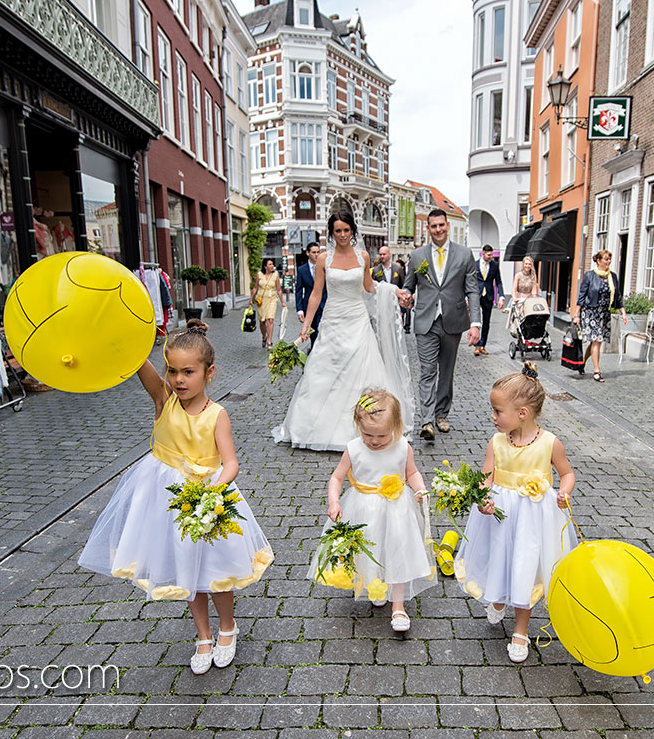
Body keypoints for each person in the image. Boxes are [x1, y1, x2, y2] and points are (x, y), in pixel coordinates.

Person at [78, 320, 274, 675]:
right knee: (188, 569)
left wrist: (212, 493)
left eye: (188, 372)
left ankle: (227, 627)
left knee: (215, 571)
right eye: (172, 370)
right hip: (169, 500)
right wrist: (124, 333)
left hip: (206, 502)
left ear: (208, 373)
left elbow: (231, 464)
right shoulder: (163, 401)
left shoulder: (217, 415)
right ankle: (202, 635)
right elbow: (140, 362)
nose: (178, 379)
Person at [454, 362, 576, 663]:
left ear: (522, 413)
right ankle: (497, 598)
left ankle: (521, 628)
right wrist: (482, 498)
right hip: (501, 514)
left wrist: (564, 491)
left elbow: (567, 473)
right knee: (499, 556)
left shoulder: (550, 443)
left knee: (525, 565)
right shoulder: (496, 442)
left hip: (534, 518)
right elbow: (486, 476)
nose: (492, 417)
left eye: (498, 411)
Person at [275, 211, 415, 451]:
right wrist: (307, 325)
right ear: (331, 233)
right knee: (324, 371)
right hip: (332, 320)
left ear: (353, 231)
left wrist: (394, 291)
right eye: (337, 231)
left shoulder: (363, 257)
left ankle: (368, 426)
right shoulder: (323, 259)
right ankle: (313, 428)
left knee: (363, 372)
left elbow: (369, 287)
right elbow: (316, 294)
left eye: (346, 230)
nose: (342, 235)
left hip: (357, 319)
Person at [310, 389, 433, 631]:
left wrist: (420, 490)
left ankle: (398, 606)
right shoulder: (354, 449)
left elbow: (412, 473)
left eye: (382, 436)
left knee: (397, 551)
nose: (375, 441)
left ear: (396, 427)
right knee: (370, 551)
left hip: (397, 509)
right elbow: (336, 478)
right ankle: (377, 585)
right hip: (363, 509)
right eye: (368, 434)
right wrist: (334, 501)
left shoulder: (402, 447)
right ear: (358, 425)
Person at [399, 209, 481, 441]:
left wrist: (475, 323)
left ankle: (441, 414)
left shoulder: (464, 255)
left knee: (446, 372)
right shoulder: (417, 256)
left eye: (441, 225)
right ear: (428, 228)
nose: (438, 230)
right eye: (433, 226)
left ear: (447, 225)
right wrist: (405, 295)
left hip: (453, 321)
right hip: (426, 321)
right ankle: (426, 421)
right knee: (427, 371)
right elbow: (409, 285)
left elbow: (472, 290)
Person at [571, 249, 627, 382]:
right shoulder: (589, 276)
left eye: (609, 259)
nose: (608, 262)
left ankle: (582, 362)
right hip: (591, 312)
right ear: (599, 260)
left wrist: (623, 312)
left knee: (595, 341)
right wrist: (576, 314)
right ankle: (597, 371)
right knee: (596, 341)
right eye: (606, 259)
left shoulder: (612, 276)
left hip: (604, 313)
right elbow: (582, 295)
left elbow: (617, 295)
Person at [473, 245, 505, 356]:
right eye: (489, 255)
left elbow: (499, 282)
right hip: (477, 296)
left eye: (492, 254)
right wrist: (467, 297)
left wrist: (501, 296)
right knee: (476, 321)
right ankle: (476, 345)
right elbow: (470, 281)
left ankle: (482, 345)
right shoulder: (475, 265)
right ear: (483, 253)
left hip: (489, 296)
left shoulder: (495, 265)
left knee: (486, 322)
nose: (491, 257)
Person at [295, 242, 327, 352]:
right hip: (309, 307)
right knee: (312, 335)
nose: (317, 255)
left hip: (324, 305)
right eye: (314, 252)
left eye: (318, 252)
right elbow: (298, 291)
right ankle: (314, 355)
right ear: (308, 253)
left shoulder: (325, 268)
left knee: (321, 333)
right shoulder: (302, 270)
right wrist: (299, 309)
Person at [250, 259, 283, 349]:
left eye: (272, 264)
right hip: (261, 300)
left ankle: (269, 341)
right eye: (270, 264)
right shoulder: (259, 275)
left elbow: (279, 290)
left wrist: (283, 302)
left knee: (270, 320)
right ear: (265, 266)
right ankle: (264, 336)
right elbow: (255, 288)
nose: (272, 266)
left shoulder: (275, 276)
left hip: (272, 299)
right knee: (262, 322)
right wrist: (251, 299)